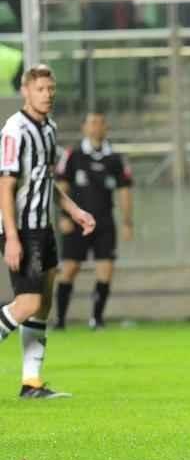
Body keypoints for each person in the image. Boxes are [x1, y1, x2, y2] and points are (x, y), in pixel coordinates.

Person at [1, 65, 97, 399]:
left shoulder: (50, 128)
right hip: (22, 229)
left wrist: (75, 211)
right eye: (41, 89)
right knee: (27, 303)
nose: (47, 94)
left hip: (43, 227)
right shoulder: (15, 130)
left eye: (51, 89)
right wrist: (11, 237)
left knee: (42, 305)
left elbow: (46, 181)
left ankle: (32, 383)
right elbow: (6, 184)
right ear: (26, 91)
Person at [53, 111, 133, 330]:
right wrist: (64, 216)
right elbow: (61, 187)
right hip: (77, 223)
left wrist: (127, 222)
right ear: (84, 128)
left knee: (105, 270)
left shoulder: (115, 159)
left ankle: (96, 319)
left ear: (106, 128)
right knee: (69, 269)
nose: (96, 127)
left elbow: (125, 190)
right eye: (92, 123)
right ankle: (59, 320)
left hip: (104, 223)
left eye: (100, 123)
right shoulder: (73, 155)